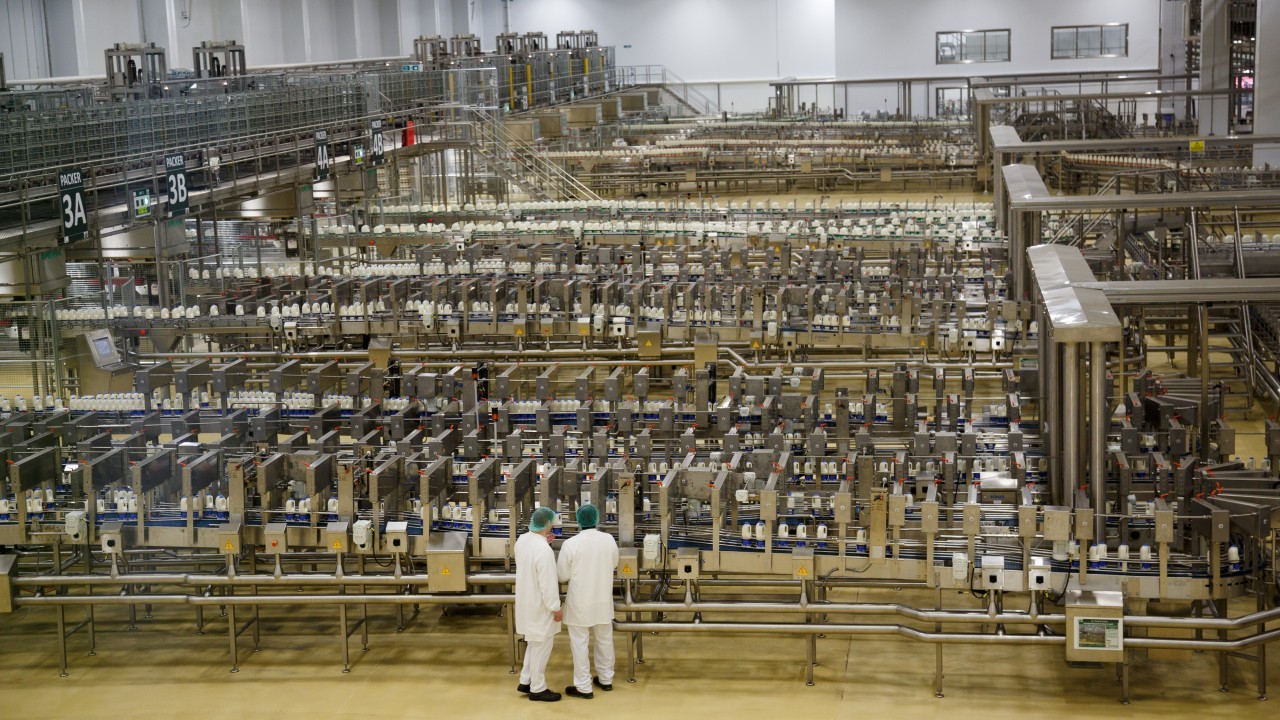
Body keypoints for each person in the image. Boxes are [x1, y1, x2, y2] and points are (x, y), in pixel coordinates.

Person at [556, 504, 619, 699]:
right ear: (596, 518)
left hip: (580, 604)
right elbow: (615, 563)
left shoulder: (571, 544)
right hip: (602, 601)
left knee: (579, 644)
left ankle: (583, 686)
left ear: (578, 521)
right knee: (605, 640)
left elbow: (562, 576)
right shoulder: (608, 540)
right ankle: (606, 679)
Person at [515, 506, 563, 702]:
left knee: (534, 643)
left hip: (526, 601)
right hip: (541, 606)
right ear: (548, 524)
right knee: (541, 646)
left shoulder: (523, 540)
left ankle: (525, 680)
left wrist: (544, 540)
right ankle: (538, 688)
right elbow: (548, 584)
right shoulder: (543, 550)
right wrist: (556, 607)